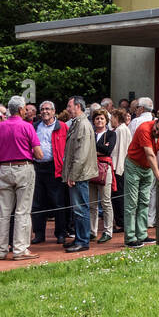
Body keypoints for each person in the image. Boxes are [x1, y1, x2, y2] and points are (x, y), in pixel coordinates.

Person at [0, 95, 43, 260]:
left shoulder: (0, 127)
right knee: (22, 211)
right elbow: (39, 154)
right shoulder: (27, 126)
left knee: (4, 212)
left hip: (5, 169)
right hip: (24, 168)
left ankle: (1, 249)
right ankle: (20, 250)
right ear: (20, 110)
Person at [122, 113, 159, 248]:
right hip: (133, 165)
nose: (157, 132)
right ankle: (130, 237)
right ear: (155, 121)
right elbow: (150, 154)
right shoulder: (144, 128)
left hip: (148, 168)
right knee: (132, 203)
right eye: (156, 129)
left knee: (144, 201)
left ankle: (142, 234)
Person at [61, 96, 98, 252]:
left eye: (69, 106)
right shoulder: (79, 123)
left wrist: (73, 175)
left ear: (77, 106)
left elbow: (81, 154)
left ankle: (82, 241)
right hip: (78, 174)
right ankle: (79, 238)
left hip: (79, 175)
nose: (68, 109)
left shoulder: (82, 124)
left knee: (80, 208)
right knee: (78, 208)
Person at [32, 101, 68, 245]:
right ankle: (39, 234)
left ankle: (60, 233)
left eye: (48, 109)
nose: (45, 111)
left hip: (55, 168)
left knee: (58, 202)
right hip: (37, 167)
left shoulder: (62, 126)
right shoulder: (34, 127)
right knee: (37, 203)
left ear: (54, 111)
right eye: (42, 109)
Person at [88, 105, 116, 244]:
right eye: (97, 118)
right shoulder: (90, 133)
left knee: (106, 201)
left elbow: (108, 150)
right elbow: (87, 151)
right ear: (93, 121)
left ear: (106, 121)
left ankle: (108, 231)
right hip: (90, 169)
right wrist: (101, 147)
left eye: (102, 118)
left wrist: (95, 148)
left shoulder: (111, 134)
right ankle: (92, 232)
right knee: (92, 203)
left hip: (105, 169)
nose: (99, 121)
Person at [110, 107, 132, 233]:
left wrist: (118, 168)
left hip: (119, 167)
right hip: (118, 166)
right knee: (117, 196)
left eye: (112, 117)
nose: (110, 120)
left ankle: (121, 223)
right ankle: (120, 221)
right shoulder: (120, 129)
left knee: (118, 196)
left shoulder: (121, 130)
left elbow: (121, 150)